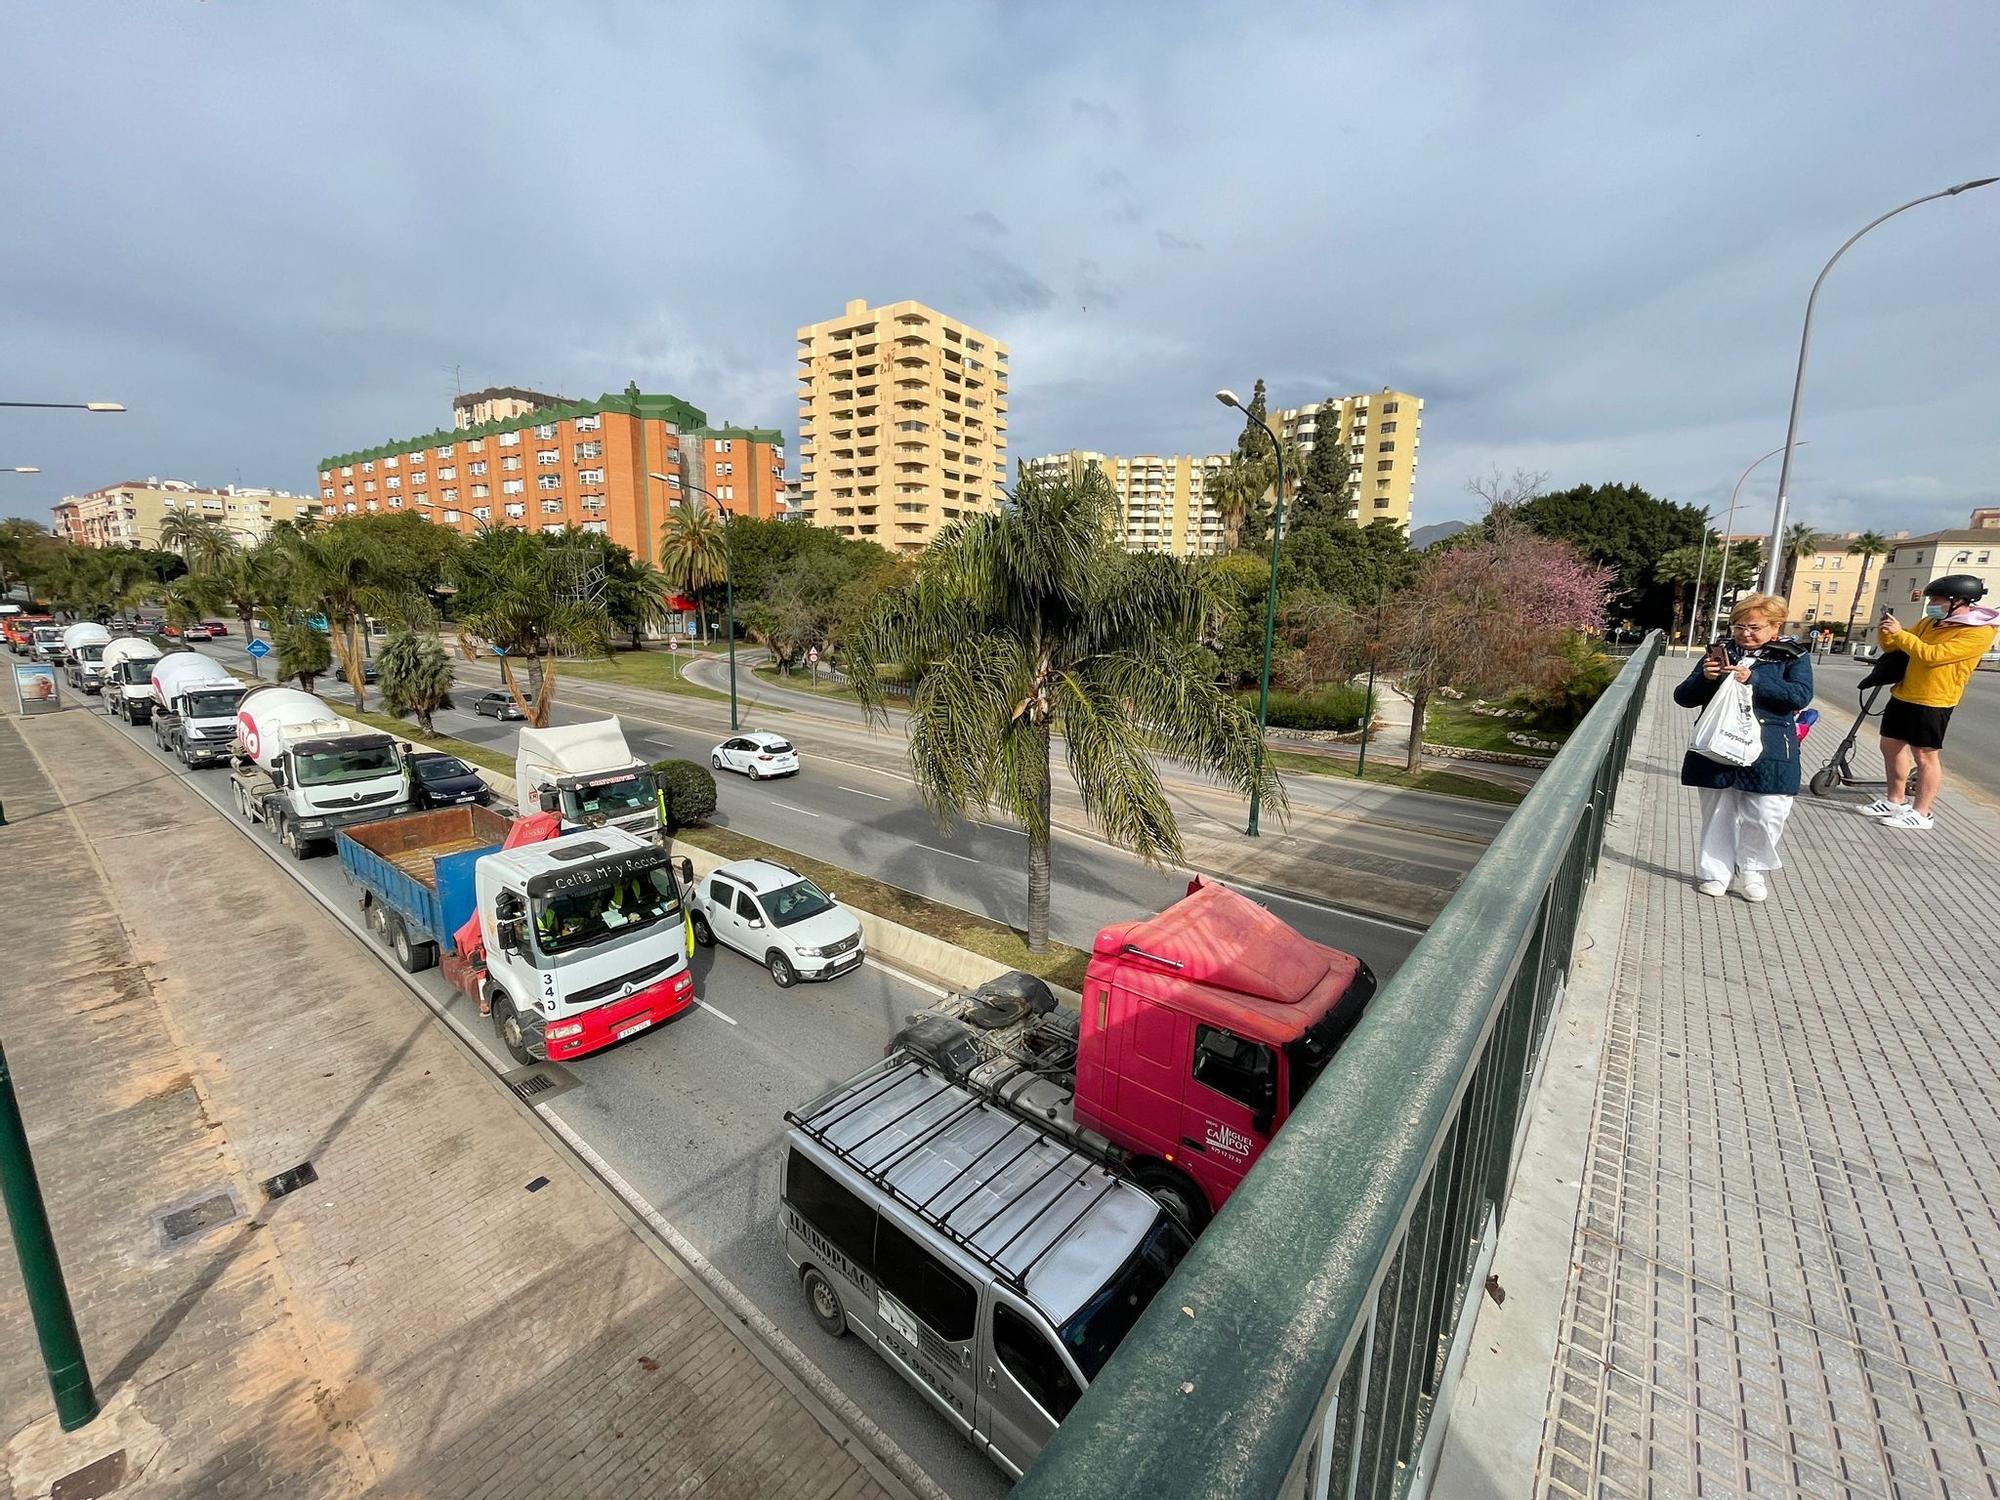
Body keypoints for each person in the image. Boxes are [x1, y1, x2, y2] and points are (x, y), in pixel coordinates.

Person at [1672, 594, 1814, 903]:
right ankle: (1715, 872)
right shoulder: (1721, 652)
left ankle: (1752, 869)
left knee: (1767, 811)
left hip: (1770, 746)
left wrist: (1754, 679)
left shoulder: (1793, 656)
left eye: (1754, 627)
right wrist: (1706, 678)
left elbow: (1800, 696)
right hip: (1718, 745)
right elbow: (1683, 697)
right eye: (1739, 627)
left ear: (1775, 627)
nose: (1744, 633)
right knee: (1718, 810)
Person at [1858, 573, 1998, 831]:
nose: (1931, 604)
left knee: (1925, 756)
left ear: (1958, 601)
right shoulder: (1931, 622)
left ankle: (1922, 813)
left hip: (1935, 699)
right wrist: (1887, 632)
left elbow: (1932, 655)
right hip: (1905, 693)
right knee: (1890, 745)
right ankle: (1895, 801)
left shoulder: (1978, 631)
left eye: (1936, 599)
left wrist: (1901, 635)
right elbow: (1897, 646)